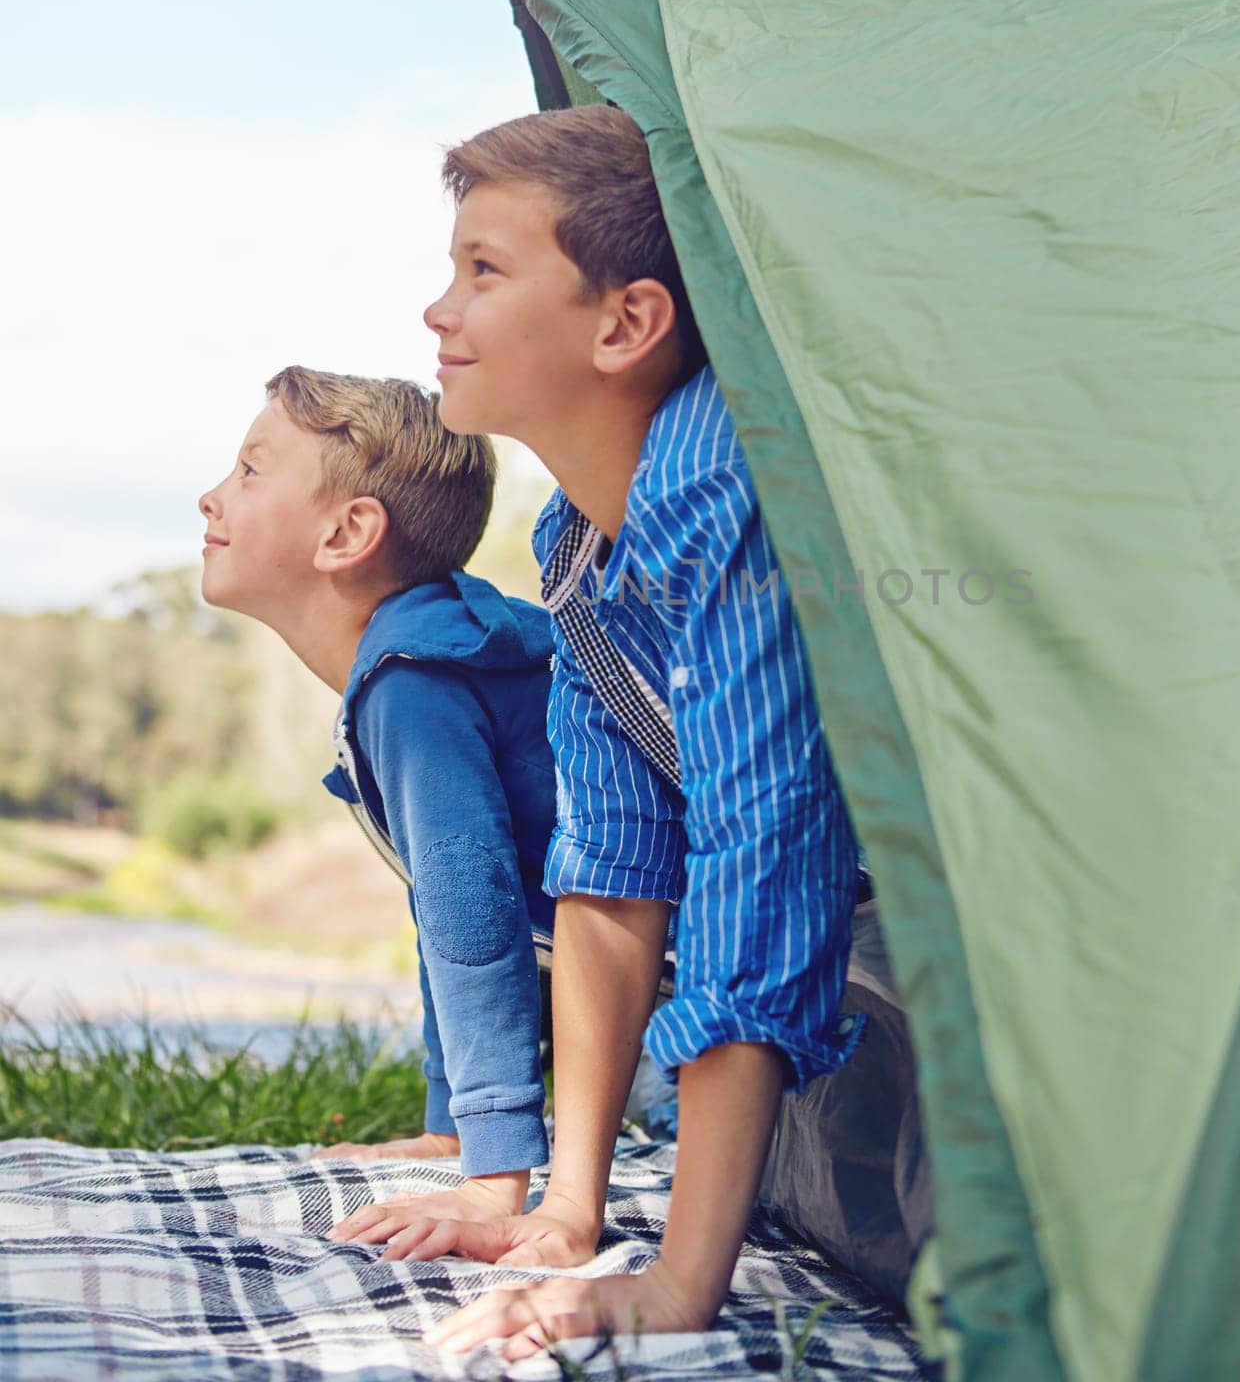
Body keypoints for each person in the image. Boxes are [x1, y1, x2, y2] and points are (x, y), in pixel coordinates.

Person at [329, 107, 865, 1357]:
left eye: (483, 269)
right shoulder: (575, 544)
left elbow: (757, 857)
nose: (437, 312)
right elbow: (609, 864)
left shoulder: (723, 487)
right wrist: (565, 1213)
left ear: (624, 324)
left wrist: (679, 1285)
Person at [198, 365, 557, 1223]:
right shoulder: (415, 659)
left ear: (348, 533)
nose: (211, 498)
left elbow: (475, 916)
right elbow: (451, 913)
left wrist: (494, 1179)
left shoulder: (415, 681)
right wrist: (452, 1131)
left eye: (250, 469)